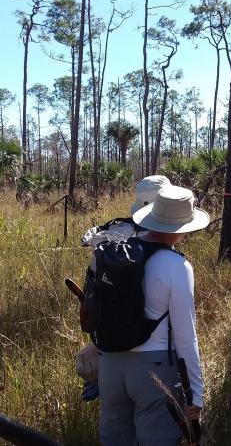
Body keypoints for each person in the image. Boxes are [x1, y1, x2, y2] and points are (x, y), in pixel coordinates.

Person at [98, 184, 209, 446]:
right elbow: (185, 337)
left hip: (110, 365)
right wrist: (196, 393)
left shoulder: (116, 253)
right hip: (153, 370)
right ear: (184, 226)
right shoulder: (177, 266)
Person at [75, 175, 171, 399]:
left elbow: (94, 287)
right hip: (150, 348)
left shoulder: (107, 237)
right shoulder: (162, 247)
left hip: (108, 337)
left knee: (114, 424)